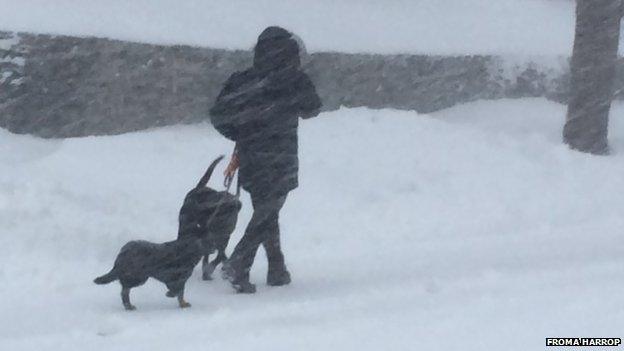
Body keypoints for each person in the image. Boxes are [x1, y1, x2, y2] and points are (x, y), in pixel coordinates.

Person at [209, 26, 322, 293]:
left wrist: (240, 132)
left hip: (250, 154)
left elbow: (218, 115)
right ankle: (240, 262)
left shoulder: (243, 80)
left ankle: (276, 267)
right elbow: (312, 108)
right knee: (268, 209)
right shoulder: (293, 80)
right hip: (281, 155)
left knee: (266, 209)